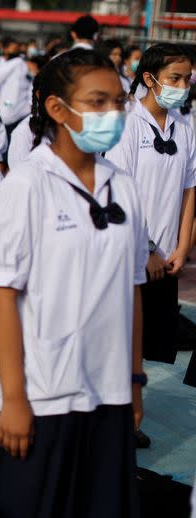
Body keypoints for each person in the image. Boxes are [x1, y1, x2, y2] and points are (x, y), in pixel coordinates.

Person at [0, 48, 145, 518]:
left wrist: (134, 382)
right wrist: (14, 398)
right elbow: (1, 294)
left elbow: (133, 289)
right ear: (57, 109)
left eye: (118, 102)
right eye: (97, 102)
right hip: (38, 391)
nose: (112, 113)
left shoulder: (123, 186)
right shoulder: (27, 185)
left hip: (106, 389)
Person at [106, 43, 196, 370]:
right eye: (175, 78)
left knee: (149, 344)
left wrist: (183, 245)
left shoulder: (184, 127)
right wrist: (148, 248)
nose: (183, 87)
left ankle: (133, 409)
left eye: (188, 79)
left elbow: (189, 189)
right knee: (121, 343)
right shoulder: (127, 124)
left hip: (167, 256)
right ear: (150, 78)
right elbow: (119, 191)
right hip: (132, 252)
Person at [0, 37, 32, 137]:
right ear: (5, 49)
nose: (15, 51)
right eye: (13, 48)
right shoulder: (15, 62)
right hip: (8, 111)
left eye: (17, 48)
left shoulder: (20, 62)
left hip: (20, 111)